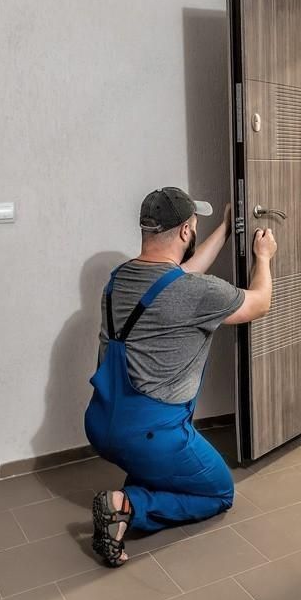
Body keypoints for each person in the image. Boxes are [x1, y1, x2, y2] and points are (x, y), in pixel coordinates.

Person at [84, 186, 277, 567]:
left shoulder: (118, 279)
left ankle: (135, 488)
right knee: (219, 493)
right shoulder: (197, 293)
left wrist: (223, 228)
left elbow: (177, 277)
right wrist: (264, 257)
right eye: (193, 226)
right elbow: (260, 303)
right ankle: (128, 505)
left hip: (101, 423)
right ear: (186, 232)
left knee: (153, 463)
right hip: (154, 434)